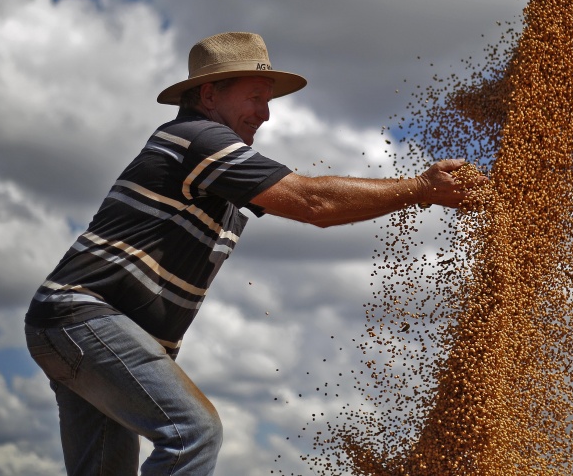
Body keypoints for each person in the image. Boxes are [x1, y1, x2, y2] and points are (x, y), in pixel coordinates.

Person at [24, 31, 476, 475]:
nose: (264, 114)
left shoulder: (216, 165)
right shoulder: (198, 139)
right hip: (81, 318)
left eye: (268, 101)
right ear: (208, 95)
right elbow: (313, 204)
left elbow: (314, 209)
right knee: (193, 431)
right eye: (254, 97)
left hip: (78, 329)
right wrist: (421, 189)